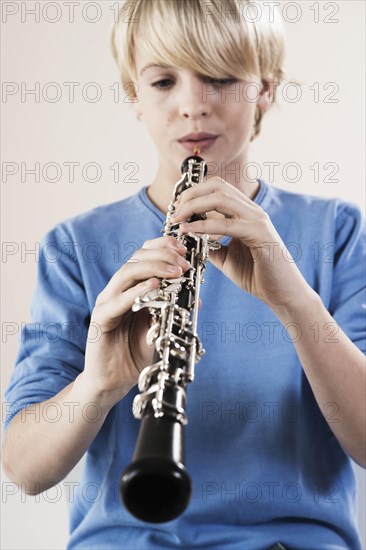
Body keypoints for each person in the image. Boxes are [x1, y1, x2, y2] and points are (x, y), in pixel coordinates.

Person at [2, 0, 365, 548]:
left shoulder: (337, 230)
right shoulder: (74, 246)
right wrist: (99, 383)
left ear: (264, 88)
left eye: (220, 77)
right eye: (163, 80)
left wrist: (296, 302)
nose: (193, 106)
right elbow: (25, 471)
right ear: (134, 97)